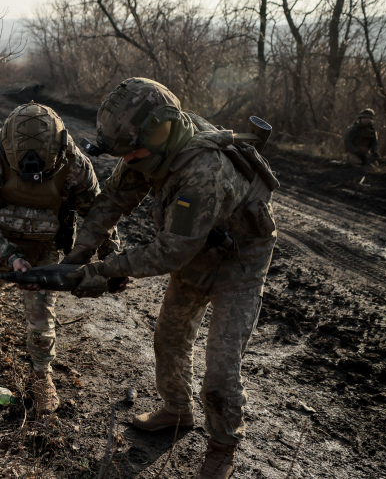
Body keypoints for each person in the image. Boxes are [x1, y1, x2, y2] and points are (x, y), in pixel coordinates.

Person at [61, 78, 278, 478]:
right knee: (171, 336)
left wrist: (99, 270)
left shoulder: (201, 171)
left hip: (239, 262)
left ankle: (222, 447)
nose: (129, 161)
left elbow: (169, 252)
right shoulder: (149, 149)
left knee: (221, 367)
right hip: (198, 248)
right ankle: (177, 411)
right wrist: (75, 257)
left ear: (160, 134)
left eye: (133, 153)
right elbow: (112, 201)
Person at [0, 102, 115, 415]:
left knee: (41, 322)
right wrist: (10, 257)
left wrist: (111, 259)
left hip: (44, 247)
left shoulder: (74, 163)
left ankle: (42, 377)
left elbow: (98, 216)